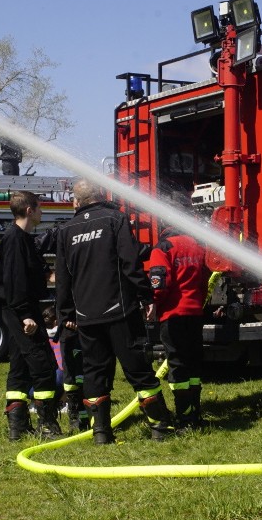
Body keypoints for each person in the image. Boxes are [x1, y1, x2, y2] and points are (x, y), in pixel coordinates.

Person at [55, 179, 174, 444]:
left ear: (76, 201)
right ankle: (159, 427)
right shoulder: (115, 220)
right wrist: (146, 295)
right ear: (100, 195)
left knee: (95, 374)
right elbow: (130, 262)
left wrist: (66, 315)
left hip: (86, 317)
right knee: (138, 370)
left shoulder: (66, 231)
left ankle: (101, 433)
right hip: (120, 311)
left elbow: (62, 278)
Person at [0, 190, 61, 441]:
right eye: (40, 208)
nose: (42, 212)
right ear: (30, 210)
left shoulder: (22, 239)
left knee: (19, 367)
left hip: (21, 309)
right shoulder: (14, 239)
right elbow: (13, 280)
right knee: (43, 366)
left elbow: (30, 273)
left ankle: (17, 428)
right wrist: (25, 315)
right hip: (21, 311)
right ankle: (47, 426)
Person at [147, 194, 210, 429]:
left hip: (172, 316)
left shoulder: (162, 247)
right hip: (195, 313)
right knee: (194, 363)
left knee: (177, 365)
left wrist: (153, 304)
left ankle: (184, 418)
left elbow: (159, 285)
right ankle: (196, 415)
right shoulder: (197, 244)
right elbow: (204, 282)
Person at [42, 304, 87, 432]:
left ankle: (45, 407)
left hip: (36, 387)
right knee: (67, 377)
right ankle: (64, 404)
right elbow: (63, 366)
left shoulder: (42, 337)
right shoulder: (65, 338)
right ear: (57, 321)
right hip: (59, 382)